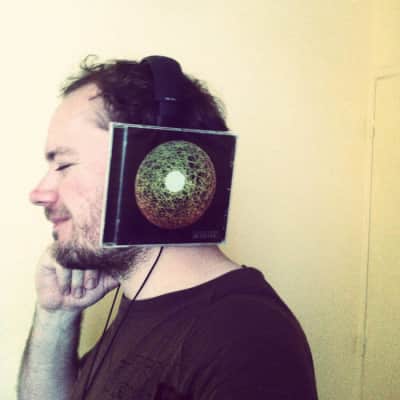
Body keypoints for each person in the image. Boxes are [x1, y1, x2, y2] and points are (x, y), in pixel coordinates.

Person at [18, 56, 318, 400]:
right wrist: (56, 314)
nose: (38, 193)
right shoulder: (141, 306)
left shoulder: (246, 341)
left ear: (156, 166)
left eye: (64, 164)